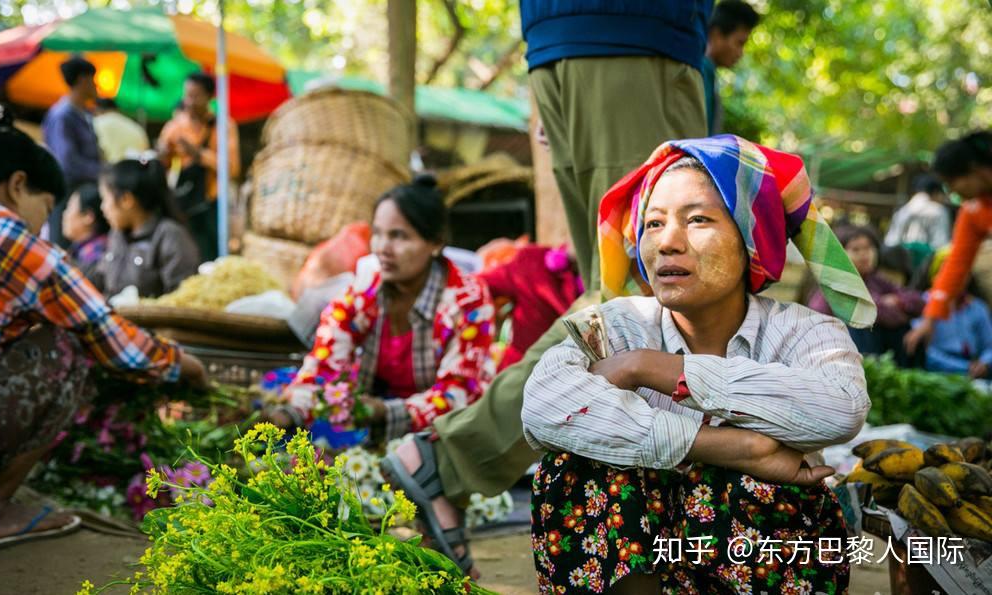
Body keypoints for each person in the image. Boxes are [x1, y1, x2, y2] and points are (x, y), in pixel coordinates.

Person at [380, 1, 713, 576]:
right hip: (630, 40)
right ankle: (447, 458)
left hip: (568, 43)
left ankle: (455, 464)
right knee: (649, 296)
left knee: (621, 300)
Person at [523, 136, 874, 593]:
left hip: (750, 563)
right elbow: (543, 407)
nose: (667, 243)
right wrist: (738, 448)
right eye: (652, 223)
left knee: (763, 488)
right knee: (577, 462)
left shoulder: (804, 331)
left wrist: (648, 367)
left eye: (698, 220)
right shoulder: (617, 325)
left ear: (750, 239)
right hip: (646, 563)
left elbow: (841, 409)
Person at [0, 104, 208, 551]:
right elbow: (109, 337)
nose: (47, 222)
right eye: (47, 207)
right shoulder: (9, 236)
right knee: (68, 346)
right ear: (18, 185)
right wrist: (184, 366)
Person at [275, 176, 496, 445]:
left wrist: (384, 411)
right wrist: (288, 412)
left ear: (435, 243)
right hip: (378, 420)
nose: (383, 248)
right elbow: (325, 365)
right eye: (377, 234)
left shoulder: (468, 301)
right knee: (279, 385)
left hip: (446, 429)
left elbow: (458, 393)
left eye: (399, 236)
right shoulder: (365, 292)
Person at [905, 131, 992, 356]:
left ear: (976, 171)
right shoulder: (973, 210)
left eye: (951, 182)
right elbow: (956, 264)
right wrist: (930, 318)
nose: (951, 191)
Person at [809, 224, 924, 364]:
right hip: (832, 351)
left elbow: (918, 301)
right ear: (841, 254)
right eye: (856, 249)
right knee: (862, 325)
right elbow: (870, 311)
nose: (864, 254)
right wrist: (887, 304)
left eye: (868, 248)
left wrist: (898, 302)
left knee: (911, 334)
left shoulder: (875, 280)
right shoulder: (836, 284)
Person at [157, 72, 239, 262]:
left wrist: (198, 154)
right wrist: (163, 155)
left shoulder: (223, 126)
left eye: (196, 96)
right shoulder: (175, 126)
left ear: (210, 97)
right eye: (187, 95)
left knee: (212, 255)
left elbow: (232, 169)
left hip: (213, 202)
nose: (189, 101)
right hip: (185, 203)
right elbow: (163, 165)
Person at [91, 159, 201, 299]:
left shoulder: (171, 236)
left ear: (126, 200)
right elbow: (102, 280)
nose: (102, 207)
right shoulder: (117, 236)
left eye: (105, 199)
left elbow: (181, 300)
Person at [478, 244, 583, 371]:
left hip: (571, 371)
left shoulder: (603, 290)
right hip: (521, 367)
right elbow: (480, 285)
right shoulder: (532, 262)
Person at [41, 55, 102, 248]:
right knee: (62, 247)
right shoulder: (62, 116)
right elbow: (67, 161)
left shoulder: (84, 114)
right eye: (92, 79)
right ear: (82, 80)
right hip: (67, 194)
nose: (96, 85)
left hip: (82, 193)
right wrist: (103, 172)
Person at [915, 248, 992, 378]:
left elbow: (989, 346)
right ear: (936, 275)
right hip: (937, 374)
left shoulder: (977, 307)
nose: (957, 277)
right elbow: (925, 352)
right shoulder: (922, 303)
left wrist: (984, 362)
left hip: (977, 372)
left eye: (962, 271)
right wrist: (965, 368)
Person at [703, 1, 761, 135]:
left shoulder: (707, 72)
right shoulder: (702, 71)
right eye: (739, 43)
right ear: (717, 35)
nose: (740, 53)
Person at [884, 174, 952, 250]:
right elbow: (941, 244)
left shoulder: (902, 211)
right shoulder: (939, 211)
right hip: (929, 259)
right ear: (936, 192)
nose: (943, 199)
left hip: (902, 258)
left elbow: (891, 242)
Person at [61, 183, 110, 279]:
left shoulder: (96, 255)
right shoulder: (77, 251)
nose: (64, 214)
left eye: (69, 208)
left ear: (88, 216)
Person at [93, 98, 150, 164]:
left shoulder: (96, 123)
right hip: (136, 169)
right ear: (117, 110)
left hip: (109, 170)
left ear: (97, 110)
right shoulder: (134, 126)